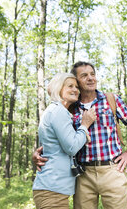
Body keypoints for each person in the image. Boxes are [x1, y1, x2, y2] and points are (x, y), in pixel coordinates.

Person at [33, 61, 127, 209]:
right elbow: (61, 137)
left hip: (112, 171)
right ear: (76, 81)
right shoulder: (70, 107)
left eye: (92, 74)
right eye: (84, 75)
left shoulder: (110, 100)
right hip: (82, 175)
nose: (91, 78)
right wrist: (40, 152)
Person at [32, 73, 97, 209]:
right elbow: (72, 147)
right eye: (70, 86)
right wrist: (85, 125)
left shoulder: (56, 111)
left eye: (77, 87)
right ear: (58, 88)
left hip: (54, 189)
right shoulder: (58, 111)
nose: (76, 90)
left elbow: (51, 147)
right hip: (52, 191)